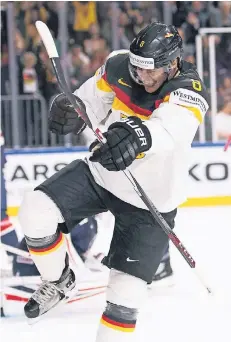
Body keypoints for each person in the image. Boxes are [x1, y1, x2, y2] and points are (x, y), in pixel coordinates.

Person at [18, 22, 209, 341]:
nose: (142, 77)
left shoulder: (190, 89)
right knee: (34, 211)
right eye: (138, 68)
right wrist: (73, 109)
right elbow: (88, 102)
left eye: (151, 71)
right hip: (102, 173)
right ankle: (58, 280)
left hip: (152, 200)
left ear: (172, 63)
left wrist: (137, 136)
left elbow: (169, 131)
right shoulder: (119, 65)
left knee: (123, 300)